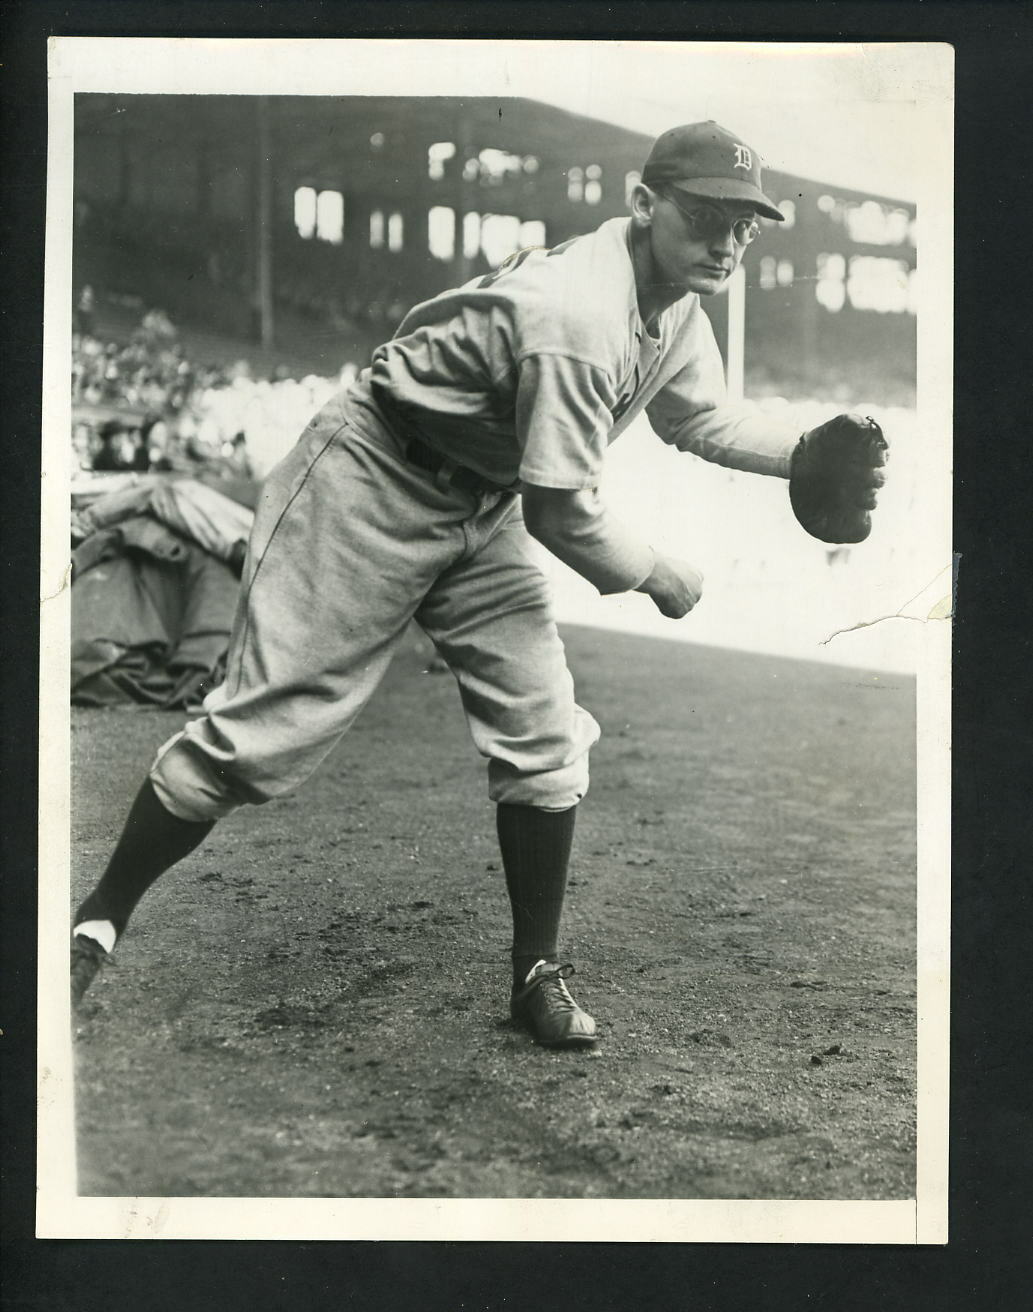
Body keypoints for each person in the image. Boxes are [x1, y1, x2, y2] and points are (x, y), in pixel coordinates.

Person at [70, 122, 885, 1047]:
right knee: (257, 735)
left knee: (543, 735)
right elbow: (563, 511)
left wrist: (798, 454)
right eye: (706, 216)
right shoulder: (578, 316)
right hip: (370, 475)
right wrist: (660, 574)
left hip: (479, 502)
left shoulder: (675, 306)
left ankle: (534, 972)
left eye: (745, 223)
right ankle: (96, 918)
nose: (728, 241)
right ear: (643, 203)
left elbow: (697, 415)